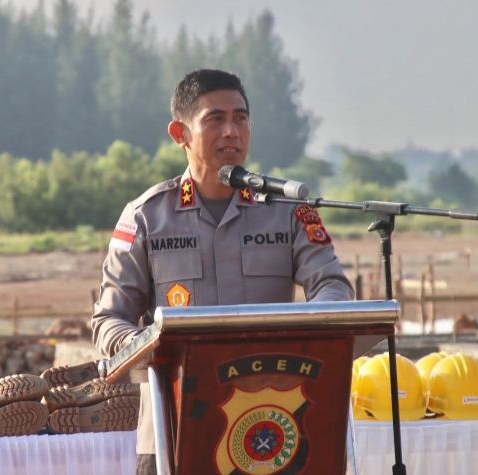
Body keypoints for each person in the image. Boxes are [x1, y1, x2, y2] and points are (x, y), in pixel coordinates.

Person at [91, 69, 354, 475]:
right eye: (215, 119)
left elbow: (332, 287)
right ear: (179, 134)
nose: (232, 131)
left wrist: (313, 330)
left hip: (272, 427)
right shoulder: (145, 218)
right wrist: (153, 348)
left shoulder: (288, 211)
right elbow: (109, 320)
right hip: (173, 432)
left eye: (241, 118)